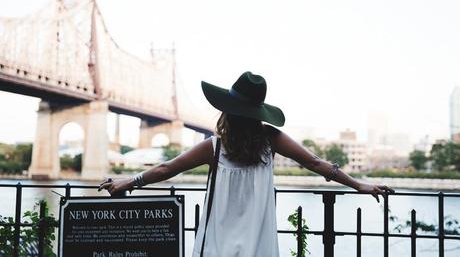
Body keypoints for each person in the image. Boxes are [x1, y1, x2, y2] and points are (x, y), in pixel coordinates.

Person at [99, 71, 394, 257]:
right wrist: (359, 185)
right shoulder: (271, 140)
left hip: (216, 245)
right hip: (258, 245)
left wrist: (128, 182)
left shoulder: (213, 148)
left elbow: (166, 169)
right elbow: (317, 164)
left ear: (227, 111)